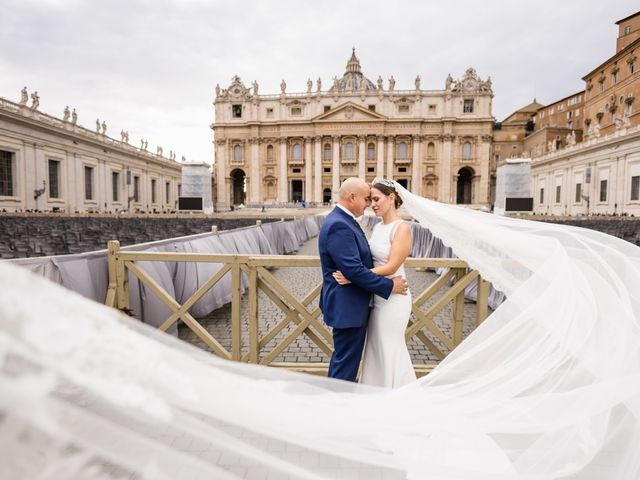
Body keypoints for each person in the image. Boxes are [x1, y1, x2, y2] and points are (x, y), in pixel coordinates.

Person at [318, 178, 408, 382]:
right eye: (367, 199)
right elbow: (354, 269)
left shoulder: (344, 221)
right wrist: (389, 285)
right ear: (352, 197)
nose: (369, 204)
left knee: (347, 361)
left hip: (357, 303)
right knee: (345, 365)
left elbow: (355, 270)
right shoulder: (339, 225)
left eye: (373, 199)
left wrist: (353, 275)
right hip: (349, 305)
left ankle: (338, 402)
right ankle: (336, 406)